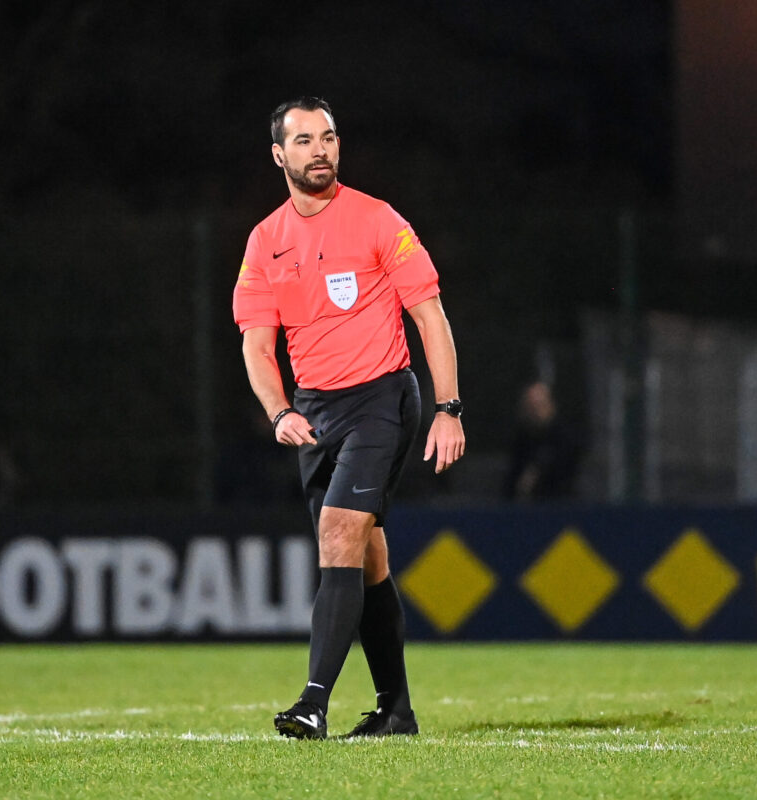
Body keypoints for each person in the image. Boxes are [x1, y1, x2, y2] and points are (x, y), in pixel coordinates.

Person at [232, 97, 465, 740]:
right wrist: (278, 410)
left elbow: (430, 316)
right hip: (314, 412)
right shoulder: (265, 240)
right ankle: (396, 711)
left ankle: (312, 701)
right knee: (365, 558)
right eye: (304, 140)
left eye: (328, 138)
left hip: (383, 399)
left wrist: (448, 409)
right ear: (280, 155)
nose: (320, 151)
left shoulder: (377, 220)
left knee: (338, 531)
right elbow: (256, 344)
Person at [503, 380, 583, 501]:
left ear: (551, 404)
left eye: (539, 405)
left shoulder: (565, 438)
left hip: (561, 504)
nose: (535, 412)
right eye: (530, 407)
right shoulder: (521, 440)